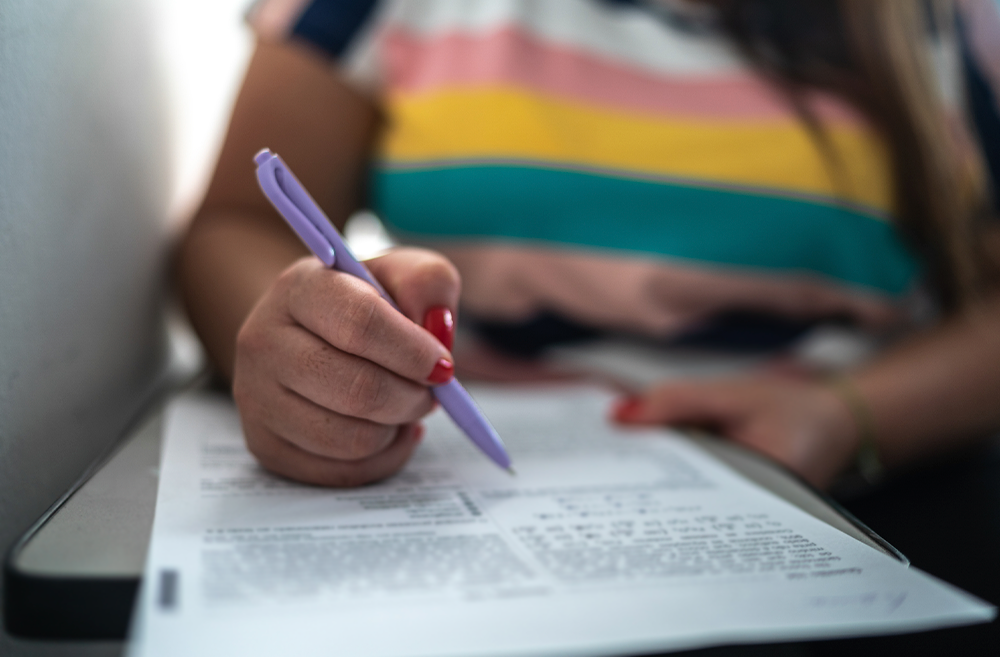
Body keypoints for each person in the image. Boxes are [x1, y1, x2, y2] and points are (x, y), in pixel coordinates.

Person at [177, 0, 1000, 490]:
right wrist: (306, 346)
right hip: (445, 486)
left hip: (862, 497)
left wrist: (847, 415)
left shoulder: (929, 22)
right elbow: (234, 225)